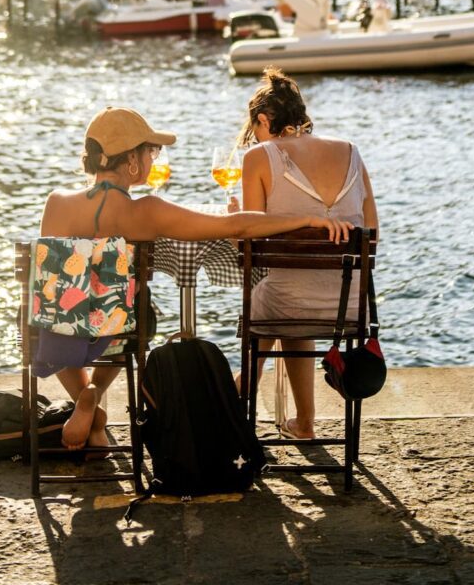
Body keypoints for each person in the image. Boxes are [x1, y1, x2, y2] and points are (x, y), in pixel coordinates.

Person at [40, 105, 350, 452]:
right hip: (117, 329)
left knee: (62, 309)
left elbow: (53, 287)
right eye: (151, 151)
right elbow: (235, 225)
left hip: (54, 333)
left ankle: (86, 399)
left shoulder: (56, 202)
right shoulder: (145, 211)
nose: (154, 158)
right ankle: (93, 398)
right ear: (130, 160)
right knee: (136, 310)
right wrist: (305, 219)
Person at [235, 67, 379, 439]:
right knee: (288, 288)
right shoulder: (351, 151)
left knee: (275, 294)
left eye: (255, 131)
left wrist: (236, 220)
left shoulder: (258, 157)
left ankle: (241, 394)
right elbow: (373, 235)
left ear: (264, 120)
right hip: (350, 308)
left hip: (289, 302)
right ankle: (305, 422)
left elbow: (255, 244)